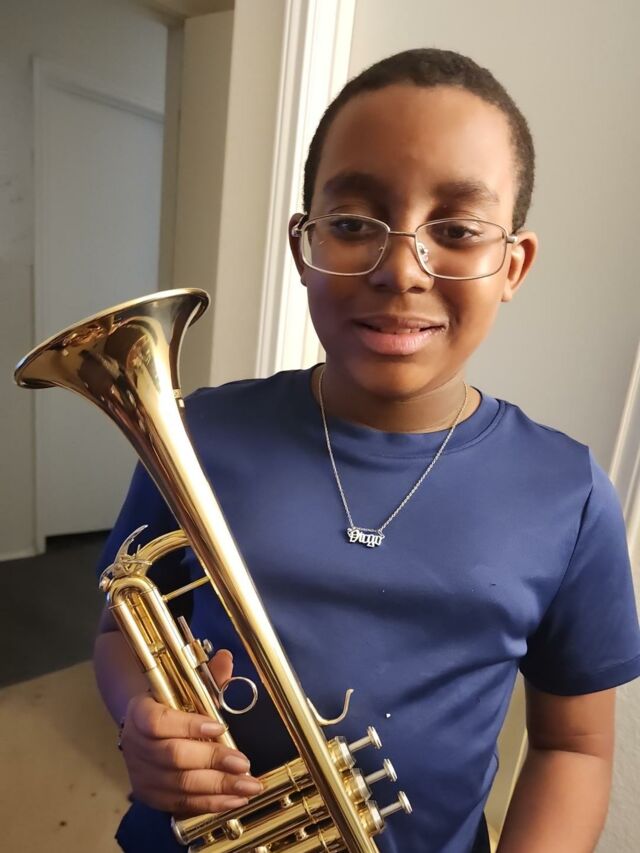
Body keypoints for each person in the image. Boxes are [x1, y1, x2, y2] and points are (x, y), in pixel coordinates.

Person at [93, 48, 640, 853]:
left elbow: (573, 746)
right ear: (301, 246)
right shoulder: (194, 435)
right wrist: (138, 716)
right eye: (352, 225)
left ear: (512, 265)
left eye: (457, 230)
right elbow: (120, 629)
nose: (400, 270)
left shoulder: (570, 494)